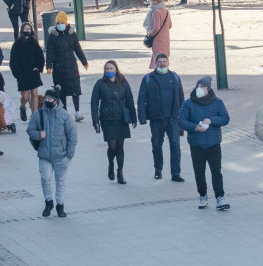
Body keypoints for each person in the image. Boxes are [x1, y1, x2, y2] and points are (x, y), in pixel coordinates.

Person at [179, 76, 230, 210]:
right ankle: (202, 196)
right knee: (199, 172)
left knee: (216, 172)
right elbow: (181, 120)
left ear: (208, 88)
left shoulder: (217, 102)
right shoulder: (188, 103)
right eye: (198, 86)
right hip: (196, 144)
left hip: (213, 143)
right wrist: (194, 127)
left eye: (202, 87)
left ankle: (220, 197)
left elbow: (225, 118)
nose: (199, 89)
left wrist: (212, 120)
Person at [28, 87, 77, 217]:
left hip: (61, 156)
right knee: (45, 179)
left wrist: (69, 155)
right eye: (46, 98)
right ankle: (48, 201)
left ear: (56, 100)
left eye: (49, 98)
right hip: (44, 156)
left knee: (60, 182)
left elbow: (72, 135)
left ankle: (60, 206)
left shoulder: (64, 115)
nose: (47, 100)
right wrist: (39, 134)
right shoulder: (39, 114)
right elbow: (30, 130)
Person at [137, 53, 185, 182]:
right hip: (156, 118)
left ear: (168, 62)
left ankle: (176, 173)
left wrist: (182, 116)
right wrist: (142, 117)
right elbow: (141, 98)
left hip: (173, 118)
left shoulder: (174, 77)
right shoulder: (148, 78)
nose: (162, 64)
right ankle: (158, 170)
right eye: (160, 62)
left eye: (164, 61)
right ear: (155, 63)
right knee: (157, 145)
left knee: (175, 145)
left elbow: (181, 97)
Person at [91, 61, 136, 185]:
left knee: (120, 146)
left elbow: (130, 100)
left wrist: (133, 117)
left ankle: (120, 172)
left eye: (111, 68)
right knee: (112, 146)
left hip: (121, 118)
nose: (109, 70)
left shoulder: (123, 82)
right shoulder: (100, 84)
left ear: (116, 69)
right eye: (106, 68)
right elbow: (94, 102)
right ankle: (111, 163)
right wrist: (96, 121)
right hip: (107, 119)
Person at [45, 11, 88, 121]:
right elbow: (49, 53)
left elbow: (77, 48)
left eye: (62, 22)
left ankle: (77, 112)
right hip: (59, 68)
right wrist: (49, 66)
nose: (60, 24)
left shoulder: (71, 33)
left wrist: (84, 61)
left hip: (72, 66)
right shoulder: (53, 36)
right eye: (58, 22)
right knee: (62, 92)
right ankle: (64, 113)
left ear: (65, 22)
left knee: (75, 90)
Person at [9, 22, 44, 122]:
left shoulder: (34, 43)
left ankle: (34, 115)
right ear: (22, 30)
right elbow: (13, 61)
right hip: (22, 73)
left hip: (33, 72)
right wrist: (17, 74)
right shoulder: (17, 44)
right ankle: (23, 107)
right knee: (25, 96)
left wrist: (39, 67)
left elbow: (40, 57)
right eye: (26, 29)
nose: (27, 31)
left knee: (35, 92)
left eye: (29, 29)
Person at [143, 0, 170, 69]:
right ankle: (165, 73)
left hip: (158, 40)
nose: (153, 2)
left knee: (158, 59)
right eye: (152, 0)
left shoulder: (156, 12)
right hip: (166, 40)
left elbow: (156, 28)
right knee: (164, 58)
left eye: (155, 1)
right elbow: (170, 25)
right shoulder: (167, 12)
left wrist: (150, 34)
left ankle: (159, 74)